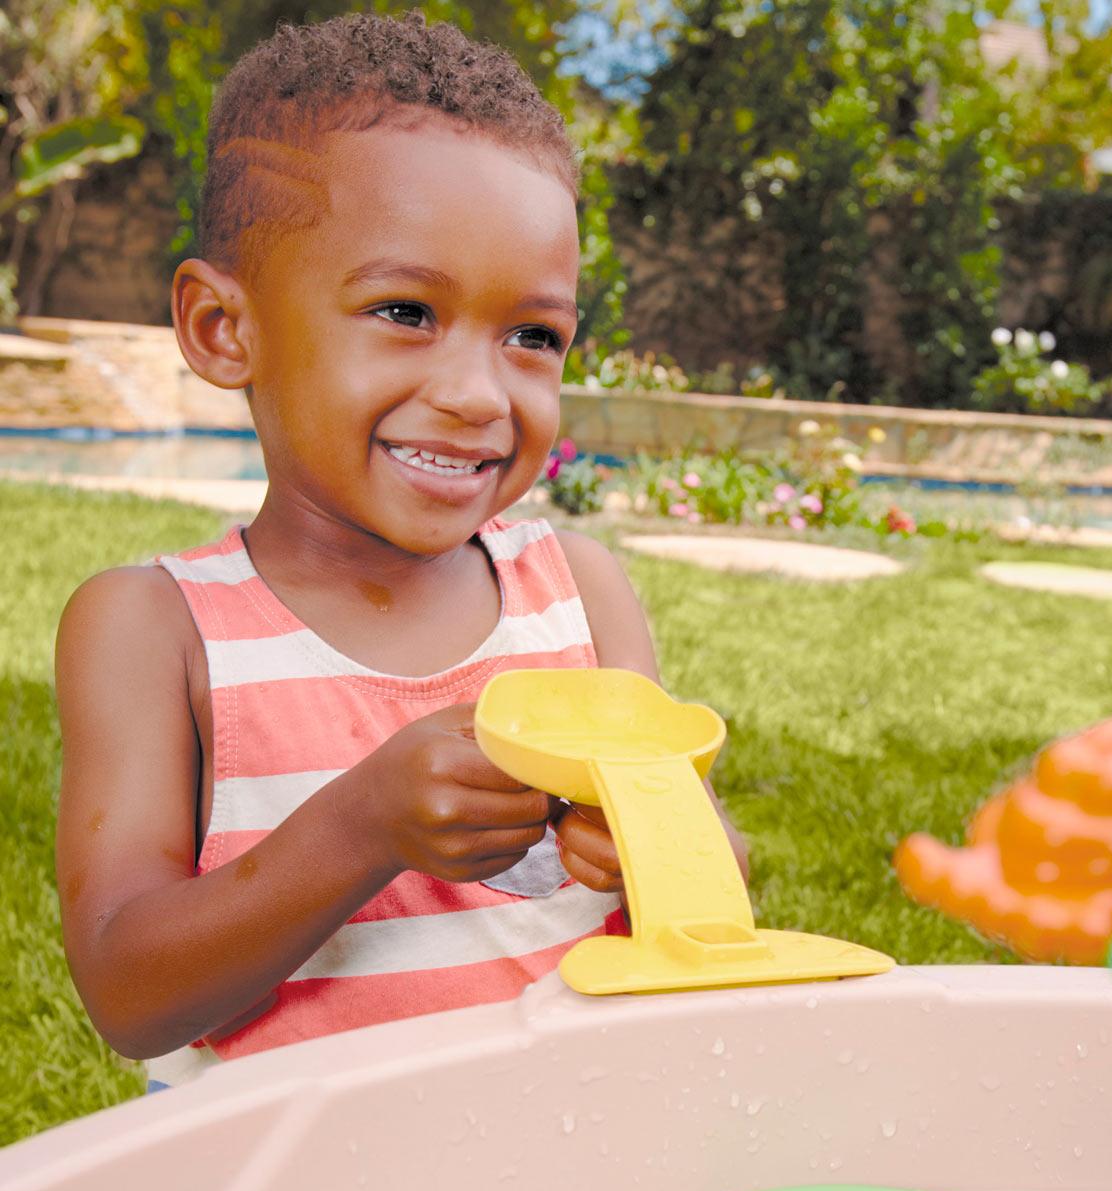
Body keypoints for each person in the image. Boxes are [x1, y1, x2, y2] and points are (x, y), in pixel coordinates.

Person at [53, 12, 745, 1083]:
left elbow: (716, 891)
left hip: (577, 1156)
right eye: (407, 311)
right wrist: (358, 828)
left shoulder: (580, 593)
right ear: (223, 329)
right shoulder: (156, 630)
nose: (477, 394)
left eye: (533, 337)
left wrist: (663, 848)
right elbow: (129, 992)